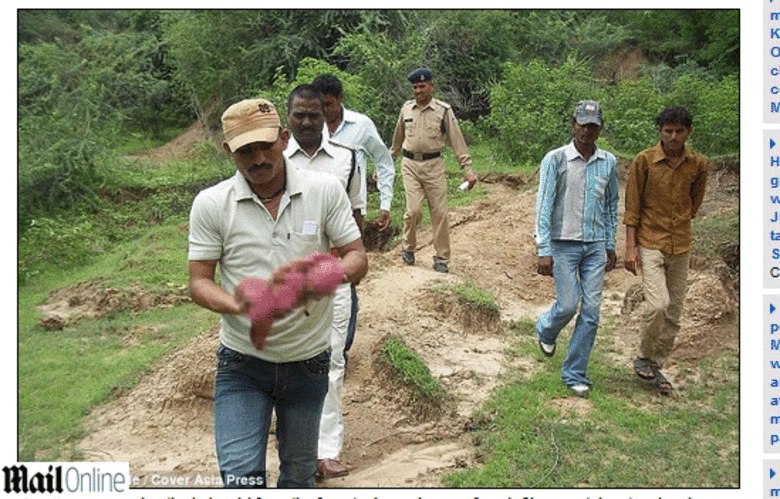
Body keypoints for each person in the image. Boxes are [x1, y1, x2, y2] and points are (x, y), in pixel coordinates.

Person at [187, 97, 368, 488]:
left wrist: (319, 280)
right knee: (240, 476)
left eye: (265, 146)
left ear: (283, 139)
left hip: (308, 363)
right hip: (242, 364)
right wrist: (238, 304)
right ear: (229, 152)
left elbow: (357, 258)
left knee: (299, 475)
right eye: (244, 151)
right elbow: (198, 281)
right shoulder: (212, 203)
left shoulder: (325, 191)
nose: (257, 159)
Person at [283, 84, 363, 480]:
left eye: (314, 114)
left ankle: (325, 450)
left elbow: (356, 222)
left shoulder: (347, 161)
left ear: (326, 114)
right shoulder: (274, 161)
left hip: (332, 279)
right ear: (289, 118)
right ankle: (292, 443)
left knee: (330, 360)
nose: (307, 121)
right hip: (283, 281)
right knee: (282, 359)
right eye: (299, 115)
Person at [534, 99, 619, 398]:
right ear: (573, 125)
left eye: (593, 126)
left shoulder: (608, 162)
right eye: (583, 124)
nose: (587, 131)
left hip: (595, 245)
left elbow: (611, 205)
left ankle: (574, 372)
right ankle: (546, 327)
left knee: (592, 311)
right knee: (569, 304)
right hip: (562, 244)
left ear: (600, 128)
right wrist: (543, 247)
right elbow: (544, 205)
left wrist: (610, 243)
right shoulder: (555, 160)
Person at [623, 106, 709, 396]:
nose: (673, 136)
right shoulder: (644, 161)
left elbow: (694, 205)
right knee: (658, 304)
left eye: (679, 131)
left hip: (681, 244)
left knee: (674, 311)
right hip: (651, 242)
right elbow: (632, 207)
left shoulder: (698, 164)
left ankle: (655, 364)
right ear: (659, 131)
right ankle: (643, 355)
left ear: (688, 132)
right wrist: (630, 248)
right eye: (668, 130)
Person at [310, 73, 395, 356]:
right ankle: (316, 342)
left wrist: (385, 203)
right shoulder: (309, 128)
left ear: (340, 100)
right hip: (312, 214)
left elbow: (383, 161)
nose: (324, 111)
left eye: (329, 105)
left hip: (348, 213)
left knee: (346, 275)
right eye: (319, 105)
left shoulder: (361, 126)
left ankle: (341, 347)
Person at [389, 67, 477, 273]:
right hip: (410, 165)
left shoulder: (443, 110)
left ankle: (441, 258)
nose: (418, 90)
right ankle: (408, 247)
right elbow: (396, 141)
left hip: (434, 166)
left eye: (422, 86)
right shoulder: (406, 110)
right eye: (415, 87)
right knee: (413, 211)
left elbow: (457, 141)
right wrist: (386, 164)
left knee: (440, 213)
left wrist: (467, 169)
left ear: (431, 86)